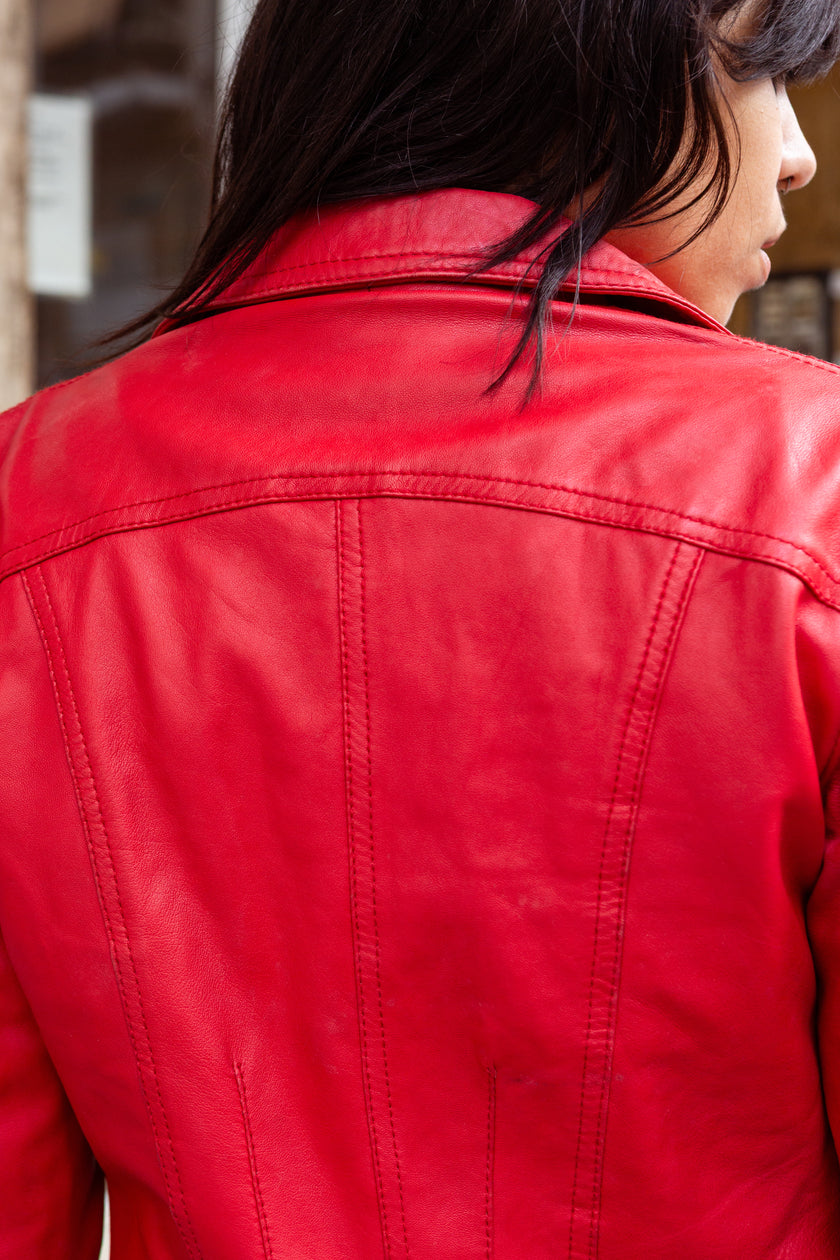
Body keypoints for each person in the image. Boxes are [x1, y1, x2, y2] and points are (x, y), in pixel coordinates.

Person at [2, 0, 840, 1254]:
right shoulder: (812, 490)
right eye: (764, 77)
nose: (796, 154)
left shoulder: (26, 506)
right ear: (603, 72)